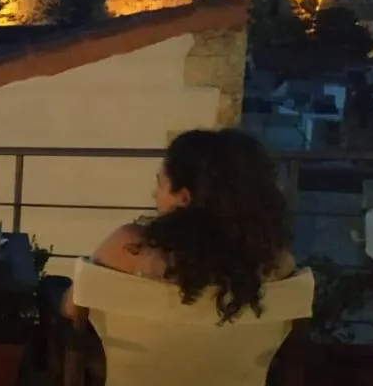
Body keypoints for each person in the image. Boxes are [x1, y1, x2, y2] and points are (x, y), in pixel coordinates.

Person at [66, 128, 297, 322]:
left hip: (133, 374)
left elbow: (72, 311)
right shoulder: (277, 264)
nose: (154, 194)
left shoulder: (129, 248)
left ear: (183, 199)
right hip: (235, 376)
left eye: (161, 185)